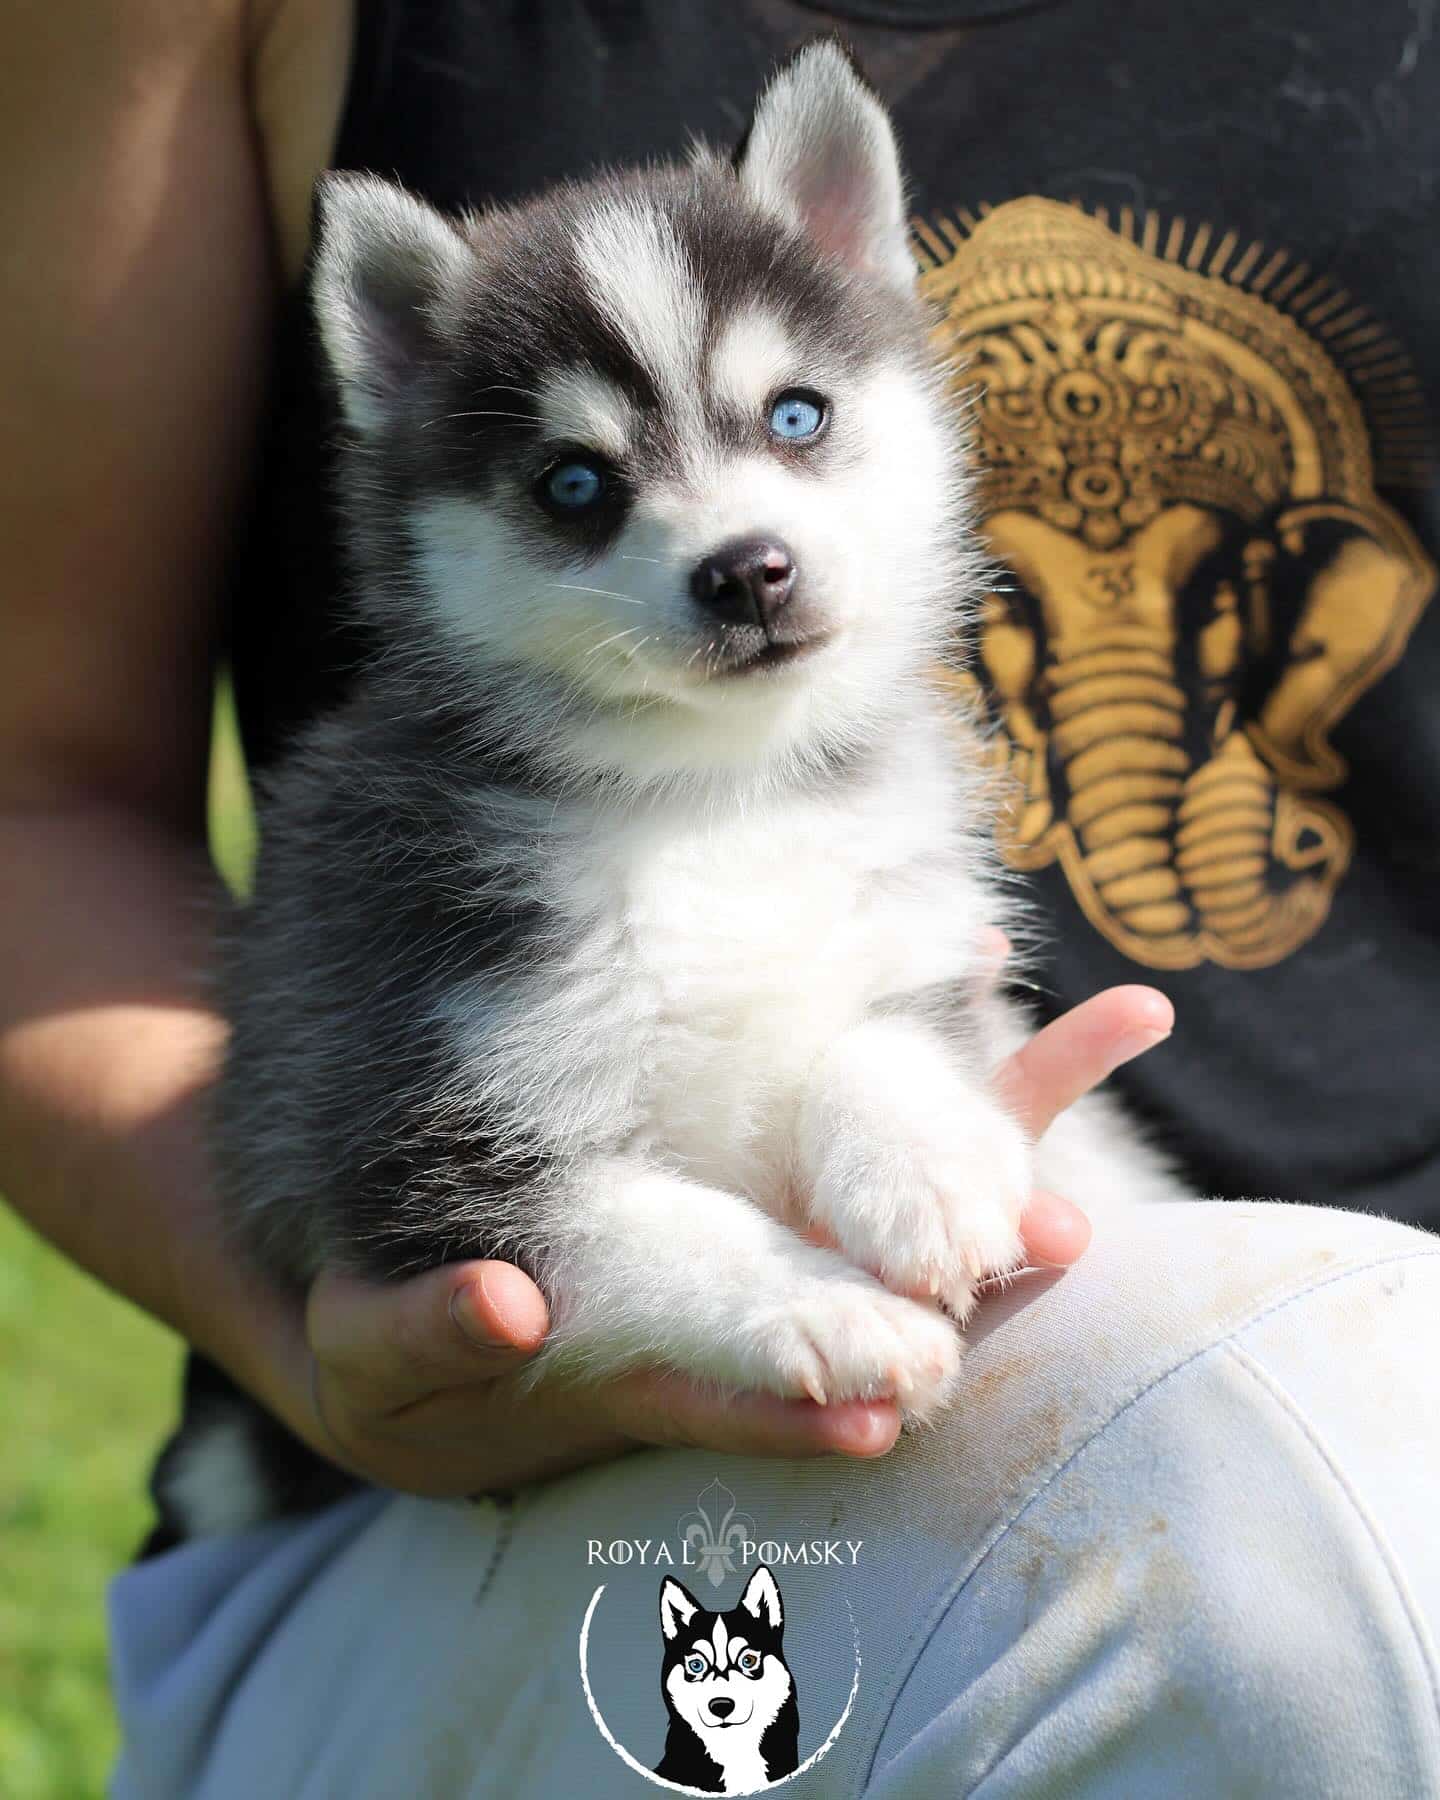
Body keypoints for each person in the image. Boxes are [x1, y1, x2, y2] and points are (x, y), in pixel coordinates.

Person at [2, 1, 1438, 1793]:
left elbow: (889, 1046)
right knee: (1285, 1532)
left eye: (795, 418)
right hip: (482, 1540)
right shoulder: (441, 872)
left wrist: (876, 1101)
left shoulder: (898, 783)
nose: (734, 534)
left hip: (1311, 1354)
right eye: (586, 490)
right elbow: (453, 1191)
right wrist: (702, 1293)